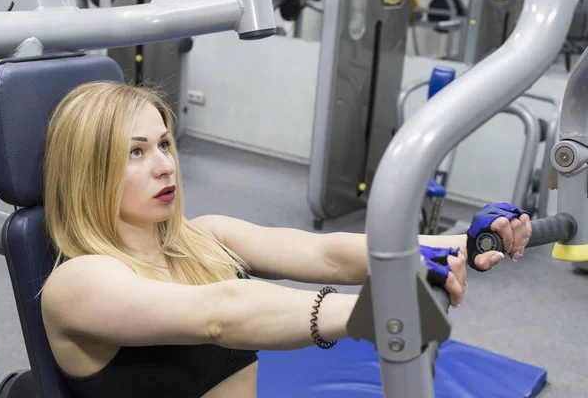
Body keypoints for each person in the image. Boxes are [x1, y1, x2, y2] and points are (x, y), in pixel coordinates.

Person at [39, 81, 531, 398]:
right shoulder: (80, 281)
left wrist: (458, 244)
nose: (166, 164)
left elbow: (325, 253)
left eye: (165, 143)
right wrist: (371, 311)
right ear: (89, 171)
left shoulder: (201, 239)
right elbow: (219, 314)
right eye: (136, 152)